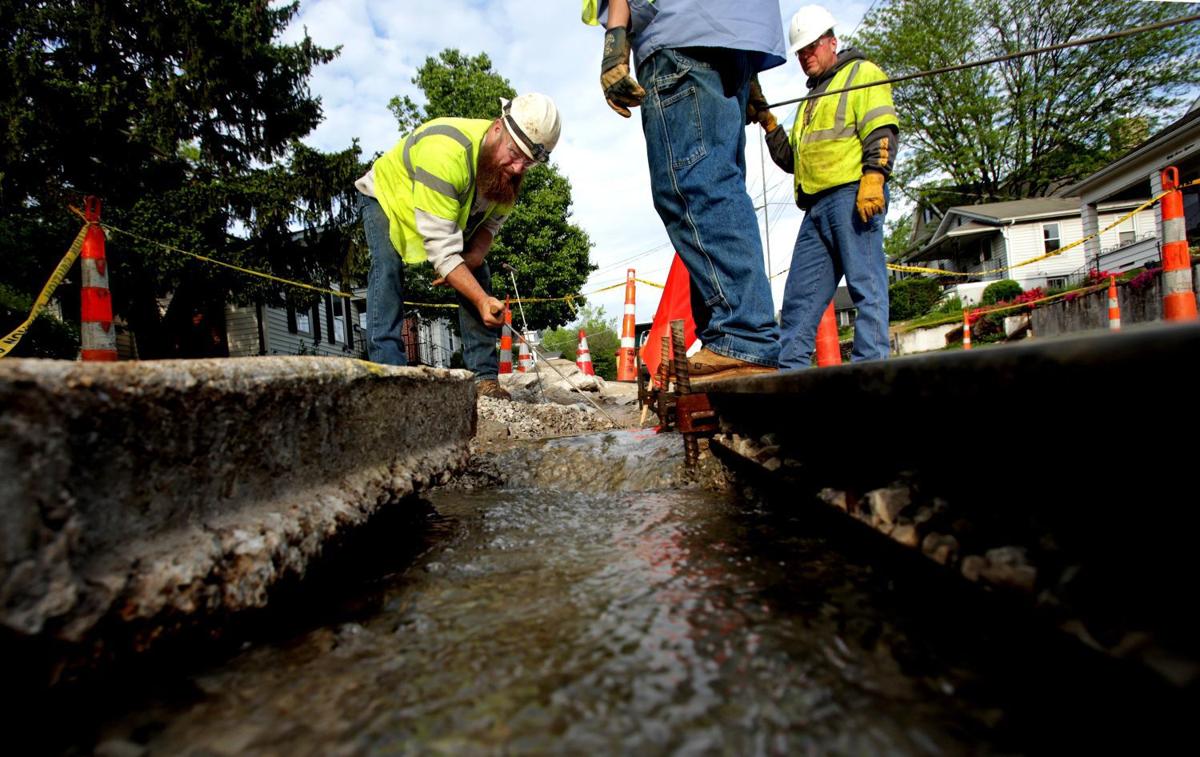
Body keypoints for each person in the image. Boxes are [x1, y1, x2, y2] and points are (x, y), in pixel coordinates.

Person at [583, 0, 786, 383]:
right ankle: (728, 341)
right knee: (720, 183)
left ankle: (742, 338)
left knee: (693, 188)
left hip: (677, 37)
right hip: (738, 43)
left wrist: (615, 45)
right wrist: (750, 76)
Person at [355, 94, 562, 398]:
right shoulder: (445, 153)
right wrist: (479, 298)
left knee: (478, 273)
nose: (518, 168)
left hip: (441, 204)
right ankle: (388, 374)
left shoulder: (506, 175)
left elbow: (489, 227)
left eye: (528, 163)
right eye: (514, 154)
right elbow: (443, 250)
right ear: (497, 128)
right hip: (388, 195)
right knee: (387, 266)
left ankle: (484, 378)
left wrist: (473, 259)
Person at [750, 4, 899, 367]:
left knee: (867, 288)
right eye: (800, 51)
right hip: (816, 209)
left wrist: (875, 176)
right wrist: (769, 122)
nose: (806, 56)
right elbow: (793, 160)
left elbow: (881, 128)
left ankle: (870, 372)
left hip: (853, 196)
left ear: (832, 41)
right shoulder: (811, 100)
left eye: (811, 47)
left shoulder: (862, 73)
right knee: (799, 302)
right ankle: (791, 378)